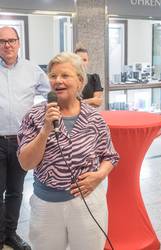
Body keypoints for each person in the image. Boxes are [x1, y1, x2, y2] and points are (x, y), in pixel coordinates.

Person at [17, 52, 119, 250]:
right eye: (53, 76)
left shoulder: (95, 118)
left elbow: (110, 156)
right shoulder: (34, 116)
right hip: (46, 206)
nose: (58, 81)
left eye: (65, 75)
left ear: (80, 81)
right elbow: (26, 163)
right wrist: (46, 130)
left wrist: (99, 175)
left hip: (88, 203)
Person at [0, 26, 49, 250]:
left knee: (15, 192)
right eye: (2, 41)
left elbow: (52, 93)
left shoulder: (32, 70)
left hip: (22, 142)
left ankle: (9, 235)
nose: (7, 45)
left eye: (11, 40)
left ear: (19, 43)